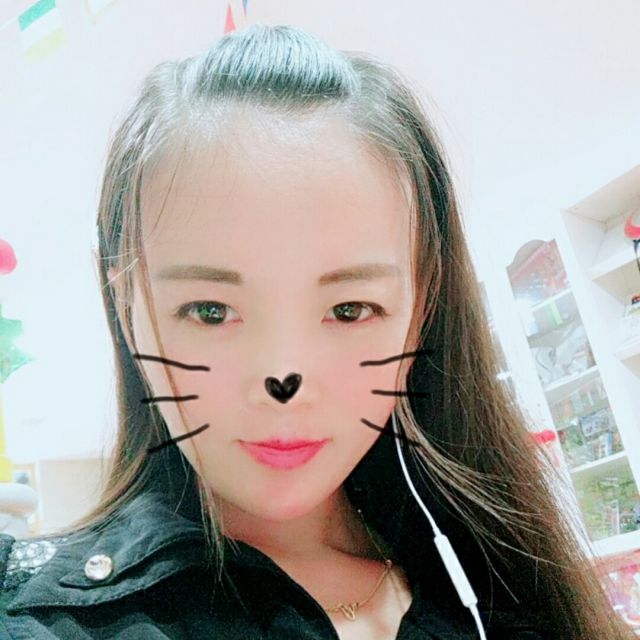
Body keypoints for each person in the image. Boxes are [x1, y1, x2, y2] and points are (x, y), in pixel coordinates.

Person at [0, 23, 634, 640]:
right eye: (211, 311)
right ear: (126, 304)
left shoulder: (506, 590)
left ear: (421, 307)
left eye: (351, 310)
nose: (284, 378)